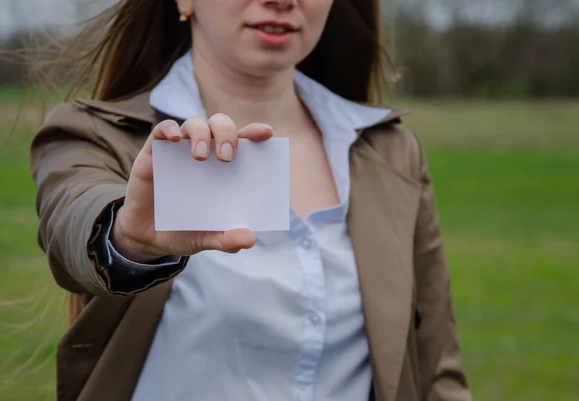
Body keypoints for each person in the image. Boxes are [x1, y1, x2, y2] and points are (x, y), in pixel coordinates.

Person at [29, 0, 471, 400]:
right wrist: (125, 236)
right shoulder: (96, 136)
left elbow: (437, 371)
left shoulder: (394, 153)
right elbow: (72, 218)